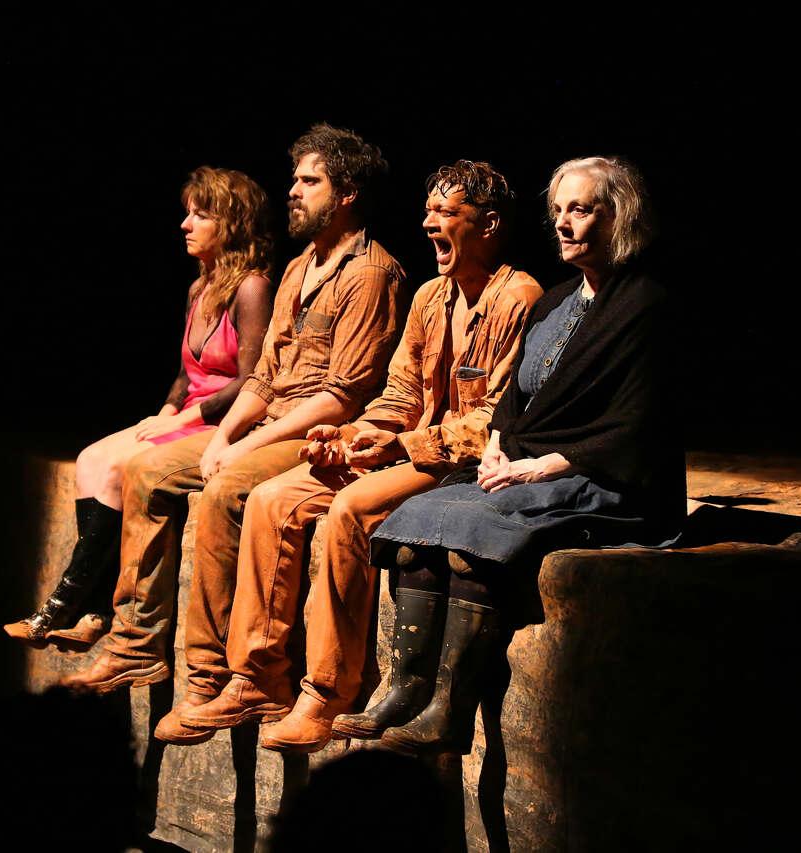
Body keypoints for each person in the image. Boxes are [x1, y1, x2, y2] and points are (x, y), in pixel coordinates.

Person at [177, 161, 544, 753]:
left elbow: (493, 421)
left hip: (458, 465)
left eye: (446, 212)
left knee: (351, 509)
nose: (428, 223)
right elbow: (399, 394)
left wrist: (400, 445)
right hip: (407, 450)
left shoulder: (519, 298)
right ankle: (256, 679)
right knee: (273, 497)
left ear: (489, 224)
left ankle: (328, 691)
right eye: (427, 210)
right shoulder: (431, 297)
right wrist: (351, 437)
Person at [335, 156, 685, 756]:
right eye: (558, 211)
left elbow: (637, 423)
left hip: (604, 478)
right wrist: (498, 446)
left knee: (473, 537)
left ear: (619, 217)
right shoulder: (556, 303)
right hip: (528, 468)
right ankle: (405, 688)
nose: (564, 224)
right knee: (417, 523)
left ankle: (449, 711)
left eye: (580, 210)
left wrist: (543, 465)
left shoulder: (646, 305)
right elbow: (514, 401)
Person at [62, 125, 406, 728]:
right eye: (295, 179)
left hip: (316, 435)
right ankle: (137, 646)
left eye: (310, 181)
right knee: (147, 471)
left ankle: (212, 677)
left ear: (347, 193)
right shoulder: (299, 268)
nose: (293, 190)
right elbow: (264, 377)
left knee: (225, 489)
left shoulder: (371, 273)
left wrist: (249, 443)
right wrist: (223, 435)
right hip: (269, 420)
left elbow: (340, 396)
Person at [2, 166, 274, 647]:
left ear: (231, 223)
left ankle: (63, 607)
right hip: (188, 414)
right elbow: (186, 372)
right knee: (91, 458)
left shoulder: (251, 288)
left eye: (201, 215)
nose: (185, 225)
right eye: (187, 213)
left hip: (226, 423)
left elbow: (251, 380)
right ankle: (92, 609)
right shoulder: (199, 288)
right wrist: (167, 411)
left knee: (119, 469)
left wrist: (185, 418)